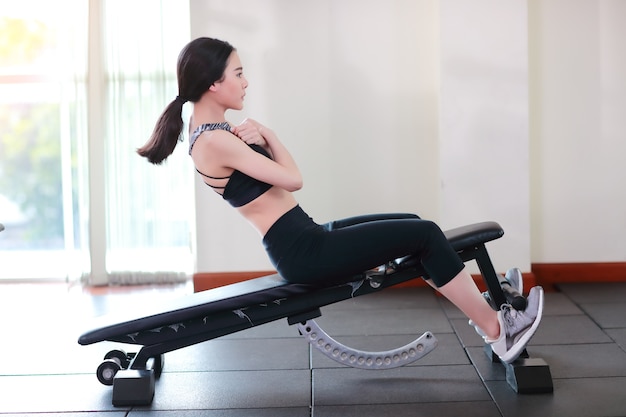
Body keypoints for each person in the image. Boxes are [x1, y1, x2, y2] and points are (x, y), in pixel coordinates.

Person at [137, 37, 544, 364]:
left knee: (412, 222)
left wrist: (260, 136)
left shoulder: (207, 128)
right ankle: (496, 328)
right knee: (424, 234)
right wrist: (269, 135)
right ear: (213, 82)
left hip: (305, 236)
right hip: (303, 250)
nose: (246, 83)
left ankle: (490, 304)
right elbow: (294, 180)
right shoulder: (215, 139)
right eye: (239, 74)